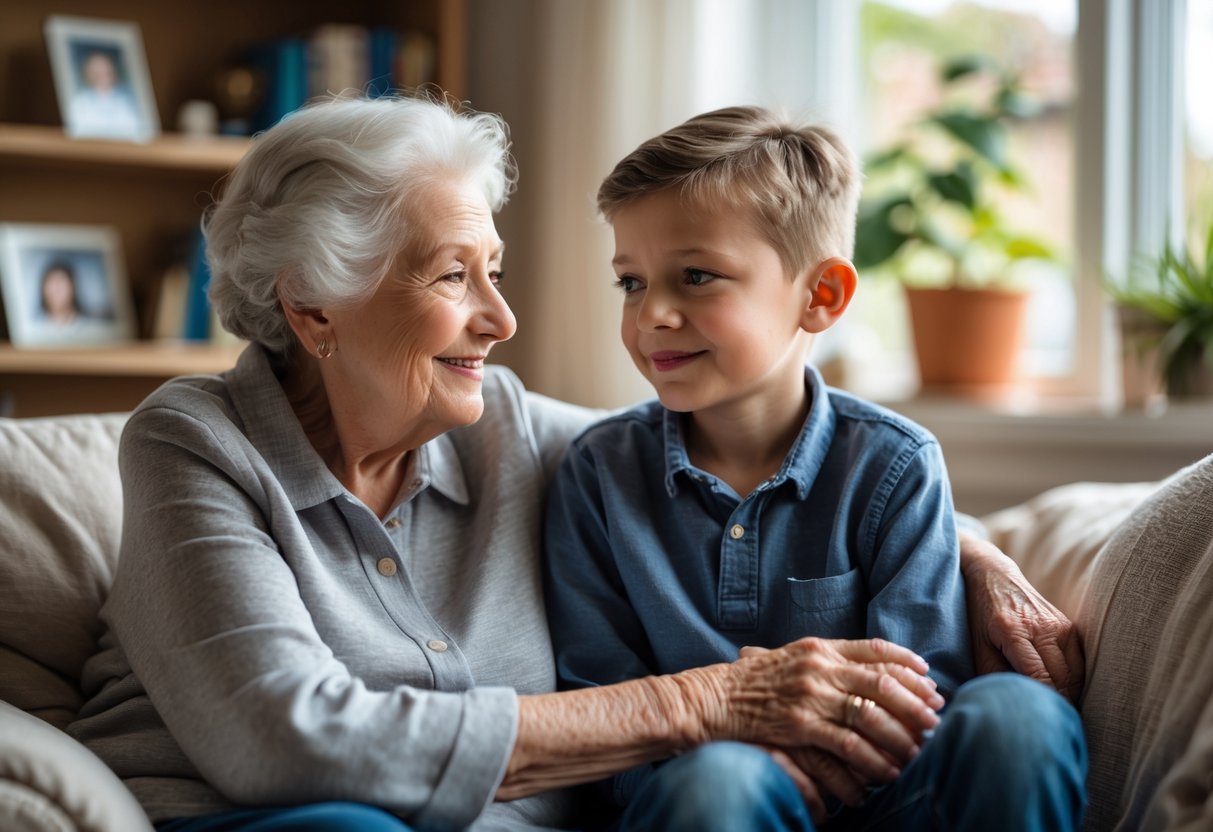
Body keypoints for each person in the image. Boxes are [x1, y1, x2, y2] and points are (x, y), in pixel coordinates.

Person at [66, 95, 1082, 832]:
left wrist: (970, 550)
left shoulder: (500, 426)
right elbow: (280, 742)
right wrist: (704, 701)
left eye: (494, 272)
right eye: (453, 275)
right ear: (314, 304)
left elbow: (745, 452)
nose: (501, 319)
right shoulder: (195, 441)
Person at [544, 105, 1087, 831]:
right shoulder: (596, 475)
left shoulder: (895, 464)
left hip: (881, 799)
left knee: (1020, 716)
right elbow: (598, 700)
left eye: (696, 276)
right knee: (723, 782)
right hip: (702, 797)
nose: (652, 317)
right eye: (631, 283)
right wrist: (751, 757)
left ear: (820, 297)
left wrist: (823, 764)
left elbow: (921, 687)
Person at [67, 49, 144, 139]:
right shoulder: (79, 102)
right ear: (88, 73)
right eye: (97, 70)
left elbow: (137, 131)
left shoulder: (128, 101)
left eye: (105, 69)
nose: (102, 73)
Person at [39, 260, 82, 325]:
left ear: (73, 287)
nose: (56, 288)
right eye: (51, 282)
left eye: (61, 281)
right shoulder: (33, 327)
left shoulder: (93, 327)